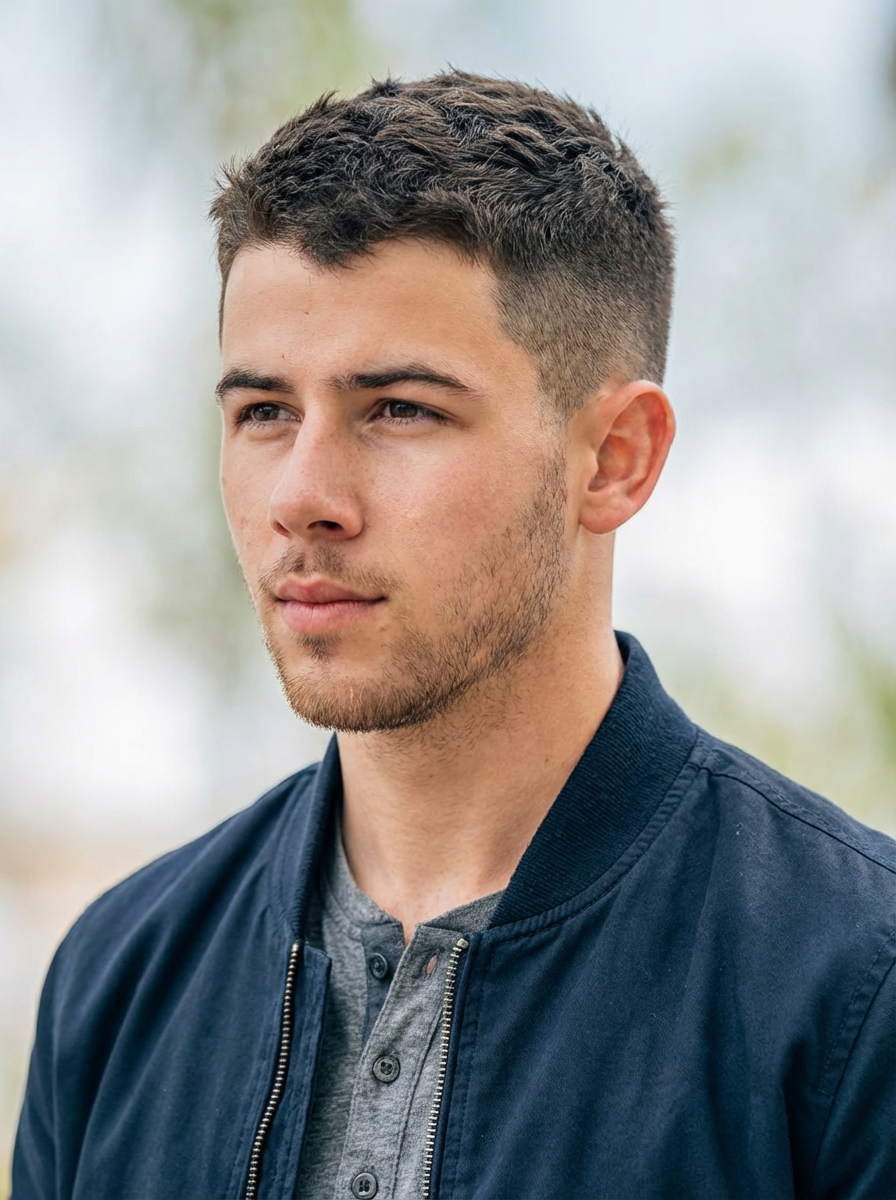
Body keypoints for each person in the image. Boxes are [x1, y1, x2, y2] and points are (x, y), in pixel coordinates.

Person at [12, 70, 894, 1200]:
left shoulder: (852, 988)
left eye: (400, 410)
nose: (302, 497)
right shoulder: (116, 983)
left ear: (614, 458)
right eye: (263, 412)